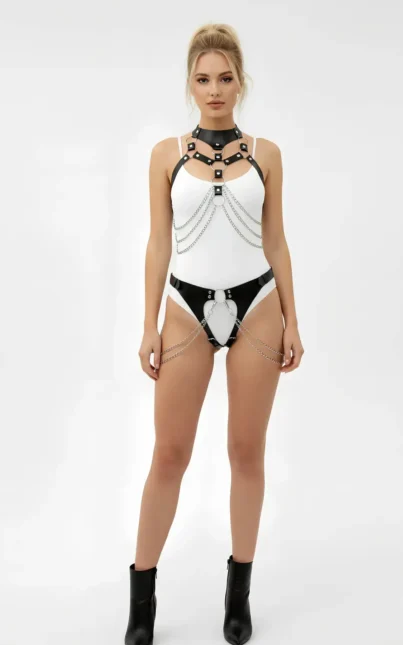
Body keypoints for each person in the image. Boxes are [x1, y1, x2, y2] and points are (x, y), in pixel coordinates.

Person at [124, 22, 304, 645]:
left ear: (241, 81)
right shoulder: (166, 154)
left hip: (258, 305)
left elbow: (276, 241)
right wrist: (147, 325)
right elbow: (158, 243)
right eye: (203, 79)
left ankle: (238, 594)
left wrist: (293, 319)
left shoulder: (266, 154)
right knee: (168, 455)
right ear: (190, 84)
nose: (215, 89)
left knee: (245, 452)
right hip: (184, 308)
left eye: (226, 78)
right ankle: (141, 601)